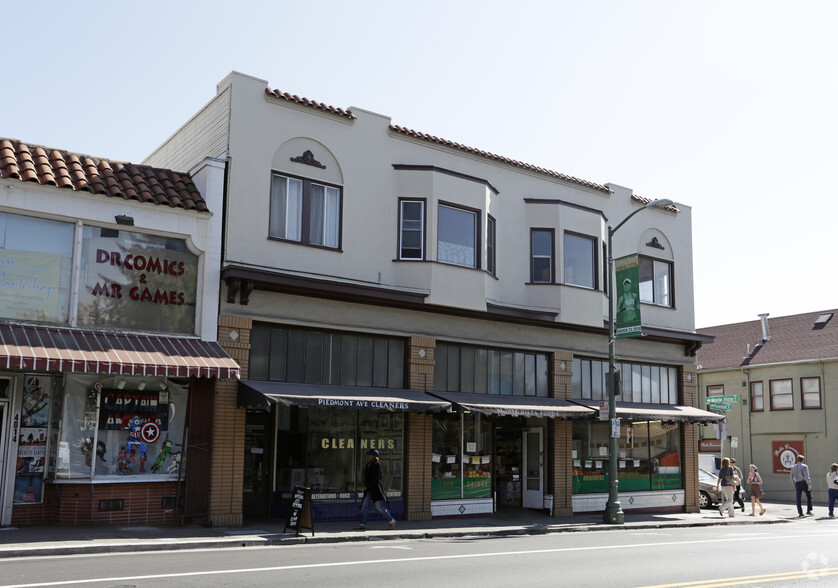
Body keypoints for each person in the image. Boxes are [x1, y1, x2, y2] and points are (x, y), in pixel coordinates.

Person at [355, 449, 396, 530]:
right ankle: (362, 524)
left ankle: (391, 520)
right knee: (364, 506)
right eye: (368, 455)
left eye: (370, 455)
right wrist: (365, 485)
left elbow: (376, 479)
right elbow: (367, 477)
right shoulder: (368, 464)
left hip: (376, 489)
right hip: (369, 489)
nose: (368, 456)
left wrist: (367, 486)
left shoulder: (377, 465)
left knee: (379, 507)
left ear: (374, 456)